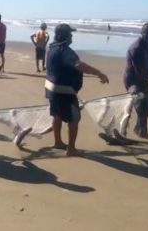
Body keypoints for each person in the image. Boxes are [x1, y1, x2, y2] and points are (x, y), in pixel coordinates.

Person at [45, 24, 109, 156]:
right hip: (64, 91)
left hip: (51, 88)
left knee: (57, 115)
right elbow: (79, 65)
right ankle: (71, 149)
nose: (71, 36)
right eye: (69, 34)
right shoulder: (65, 50)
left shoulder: (51, 48)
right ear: (63, 36)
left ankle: (58, 142)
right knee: (74, 119)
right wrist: (99, 73)